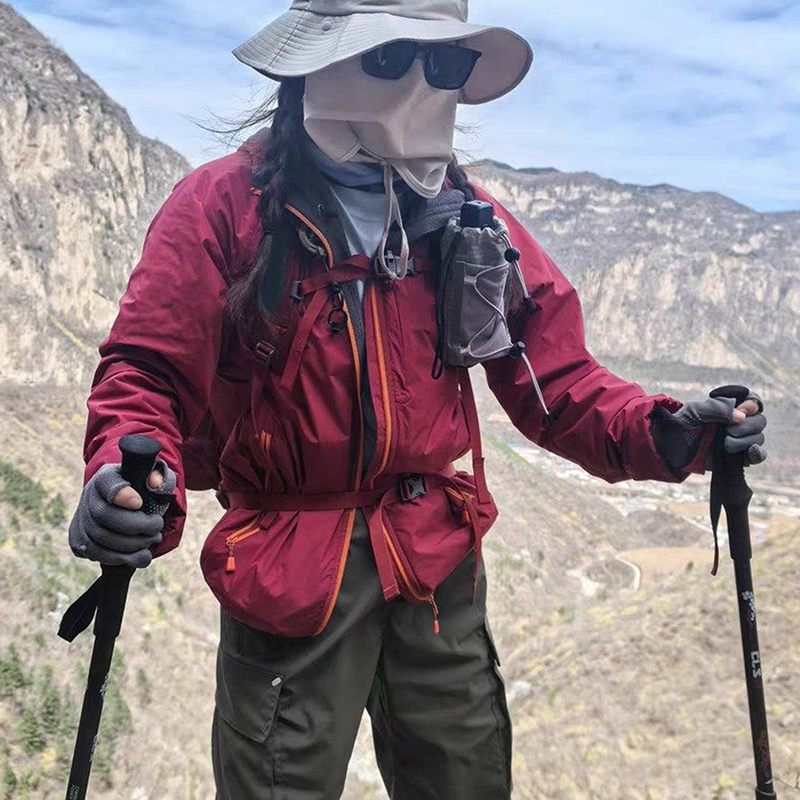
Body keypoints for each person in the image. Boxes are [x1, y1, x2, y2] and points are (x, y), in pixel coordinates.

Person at [68, 1, 768, 798]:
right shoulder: (225, 206)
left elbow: (558, 381)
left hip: (434, 564)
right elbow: (148, 373)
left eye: (445, 63)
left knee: (464, 779)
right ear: (320, 64)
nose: (424, 86)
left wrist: (670, 433)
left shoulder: (466, 218)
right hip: (291, 568)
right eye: (391, 56)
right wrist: (124, 478)